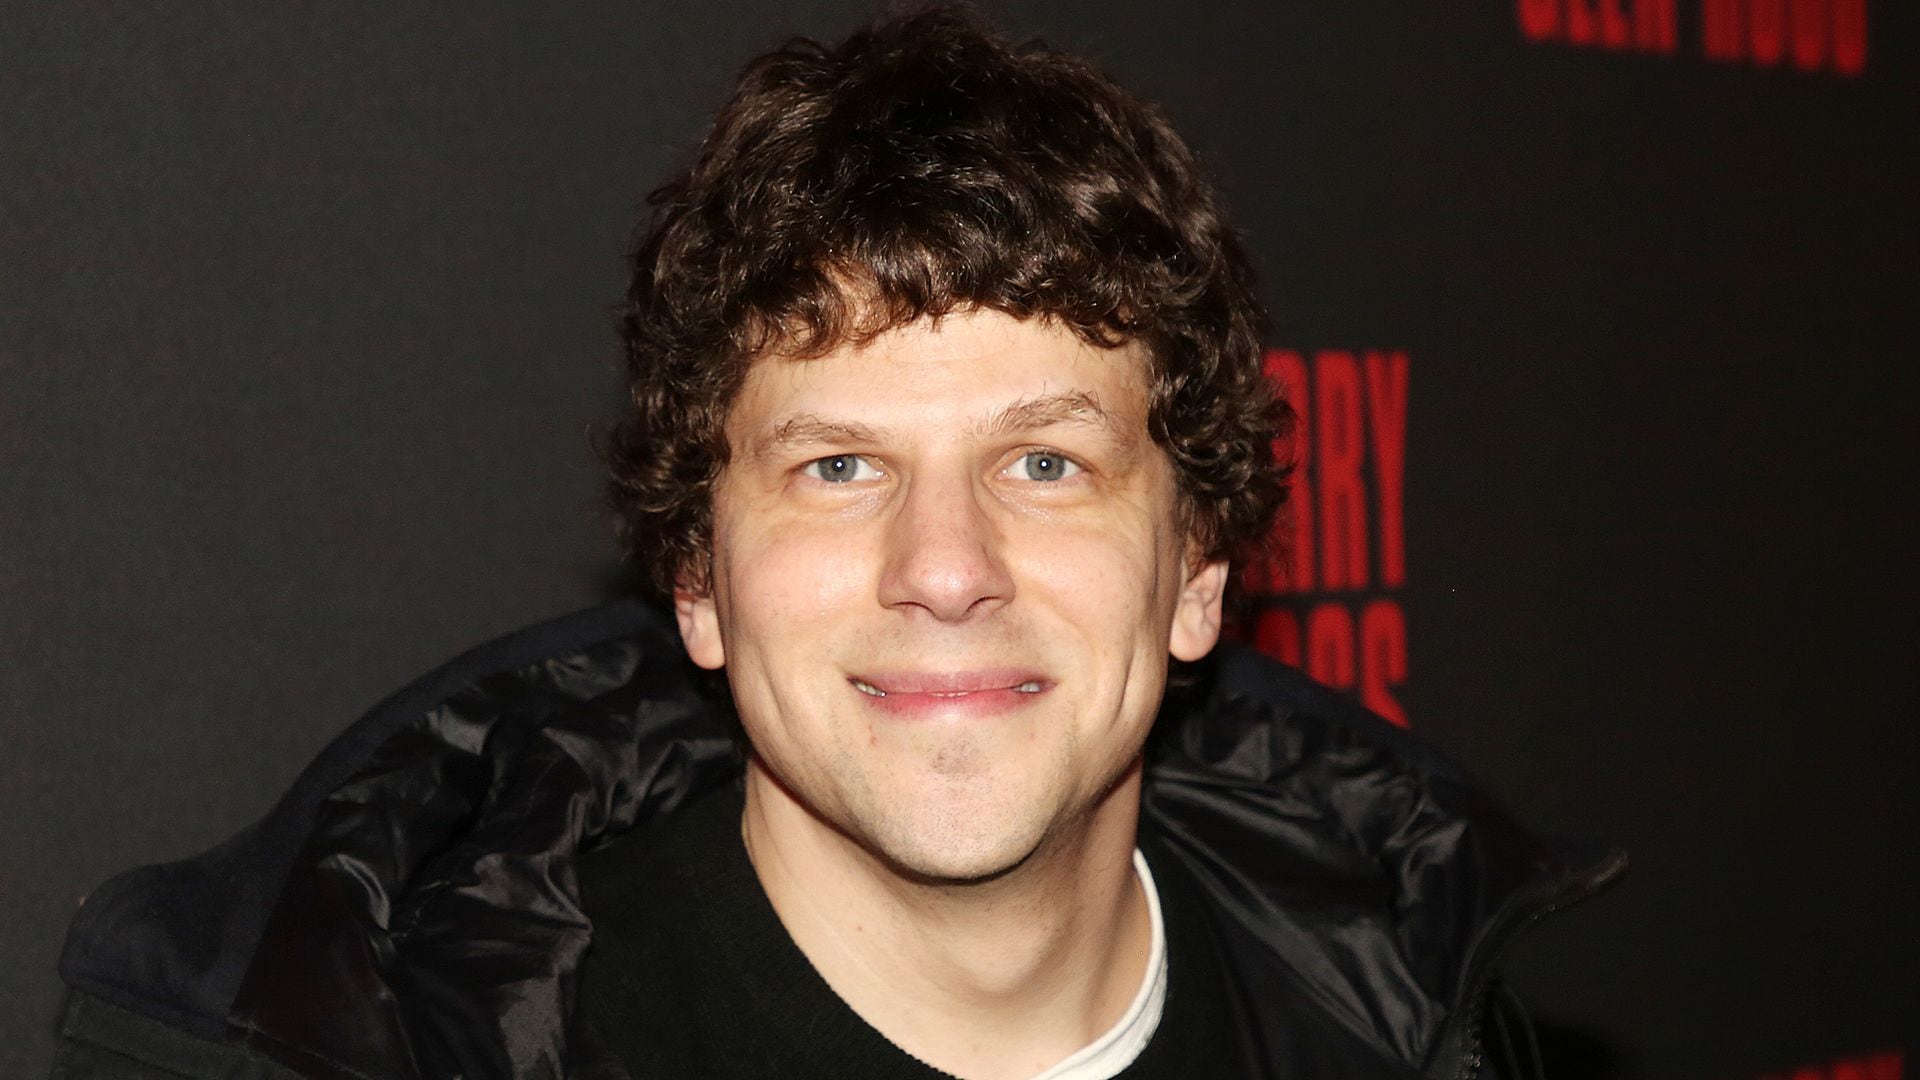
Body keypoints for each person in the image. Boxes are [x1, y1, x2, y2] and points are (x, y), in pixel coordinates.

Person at [51, 7, 1623, 1079]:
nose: (946, 566)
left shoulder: (1425, 1026)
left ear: (1200, 570)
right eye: (844, 464)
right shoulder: (425, 1042)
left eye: (1046, 460)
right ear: (697, 578)